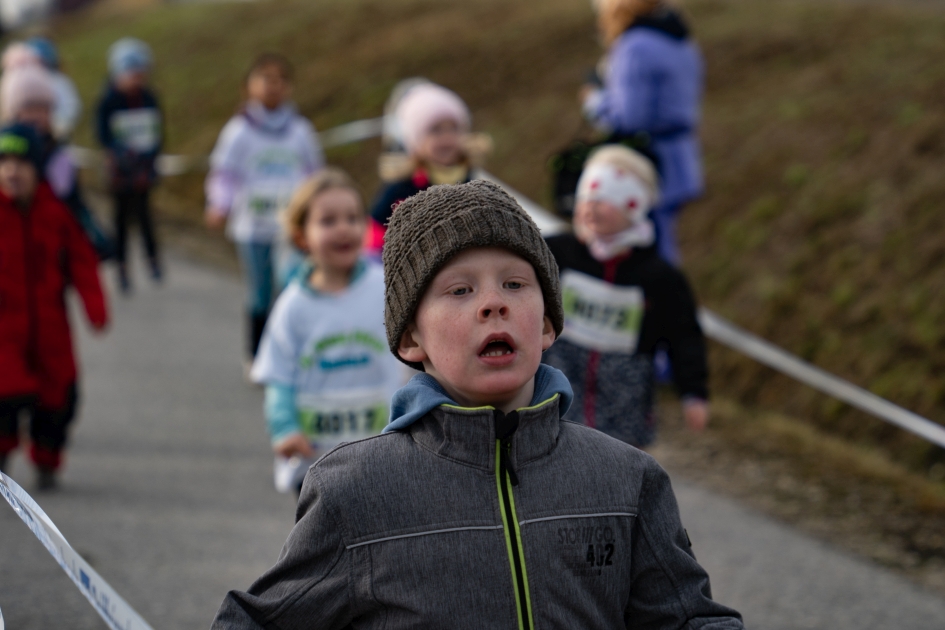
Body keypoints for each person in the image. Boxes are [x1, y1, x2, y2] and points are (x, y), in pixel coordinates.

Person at [211, 180, 744, 629]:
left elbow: (689, 619)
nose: (495, 302)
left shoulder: (627, 480)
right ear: (410, 340)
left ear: (549, 322)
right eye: (460, 290)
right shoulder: (354, 491)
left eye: (515, 283)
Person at [543, 145, 709, 448]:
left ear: (633, 207)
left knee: (616, 475)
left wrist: (693, 392)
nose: (591, 208)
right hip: (558, 383)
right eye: (586, 198)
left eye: (605, 200)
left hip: (625, 401)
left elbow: (684, 334)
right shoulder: (555, 252)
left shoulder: (660, 276)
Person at [251, 168, 404, 494]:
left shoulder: (386, 288)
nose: (344, 229)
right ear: (301, 236)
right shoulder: (292, 308)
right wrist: (284, 429)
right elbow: (278, 377)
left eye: (352, 217)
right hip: (316, 461)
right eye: (328, 221)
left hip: (384, 453)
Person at [0, 123, 109, 490]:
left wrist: (95, 305)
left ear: (38, 168)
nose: (12, 171)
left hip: (50, 326)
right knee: (5, 392)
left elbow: (81, 260)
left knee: (59, 395)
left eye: (21, 163)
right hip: (5, 328)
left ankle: (47, 459)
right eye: (4, 162)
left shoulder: (55, 212)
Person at [205, 53, 324, 361]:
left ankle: (286, 354)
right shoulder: (239, 131)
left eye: (280, 80)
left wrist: (317, 210)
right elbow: (225, 174)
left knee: (290, 289)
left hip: (290, 229)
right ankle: (256, 355)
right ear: (250, 86)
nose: (273, 86)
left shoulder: (300, 131)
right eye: (266, 79)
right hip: (252, 226)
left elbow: (315, 175)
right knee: (259, 295)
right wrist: (220, 204)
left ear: (289, 87)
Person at [581, 0, 704, 265]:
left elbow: (628, 119)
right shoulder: (681, 39)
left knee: (649, 252)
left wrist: (595, 102)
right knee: (663, 244)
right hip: (680, 157)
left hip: (648, 165)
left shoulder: (634, 45)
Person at [1, 65, 114, 260]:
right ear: (14, 111)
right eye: (29, 108)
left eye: (42, 109)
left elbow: (71, 200)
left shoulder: (59, 154)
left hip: (53, 242)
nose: (36, 116)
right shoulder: (6, 151)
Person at [366, 82, 487, 257]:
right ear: (416, 141)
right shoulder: (402, 188)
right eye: (435, 131)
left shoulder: (471, 180)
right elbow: (376, 231)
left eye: (453, 129)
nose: (446, 138)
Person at [95, 37, 164, 293]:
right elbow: (103, 134)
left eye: (140, 73)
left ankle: (153, 260)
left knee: (145, 216)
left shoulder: (148, 97)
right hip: (120, 172)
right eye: (131, 73)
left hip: (144, 168)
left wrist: (151, 157)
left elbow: (157, 131)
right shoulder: (108, 101)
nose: (136, 79)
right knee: (122, 220)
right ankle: (122, 267)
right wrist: (121, 153)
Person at [26, 37, 83, 140]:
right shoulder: (23, 84)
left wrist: (61, 123)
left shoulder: (59, 81)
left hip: (56, 134)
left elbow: (71, 106)